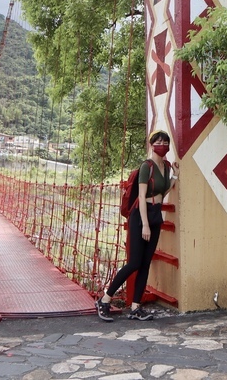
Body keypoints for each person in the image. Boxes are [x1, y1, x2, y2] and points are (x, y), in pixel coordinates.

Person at [96, 130, 176, 321]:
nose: (162, 145)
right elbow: (141, 196)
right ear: (152, 144)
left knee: (146, 263)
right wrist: (145, 225)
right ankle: (105, 300)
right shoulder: (146, 167)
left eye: (165, 142)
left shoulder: (166, 166)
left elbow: (163, 191)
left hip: (155, 214)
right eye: (158, 142)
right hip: (140, 216)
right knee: (134, 263)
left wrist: (176, 176)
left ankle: (135, 307)